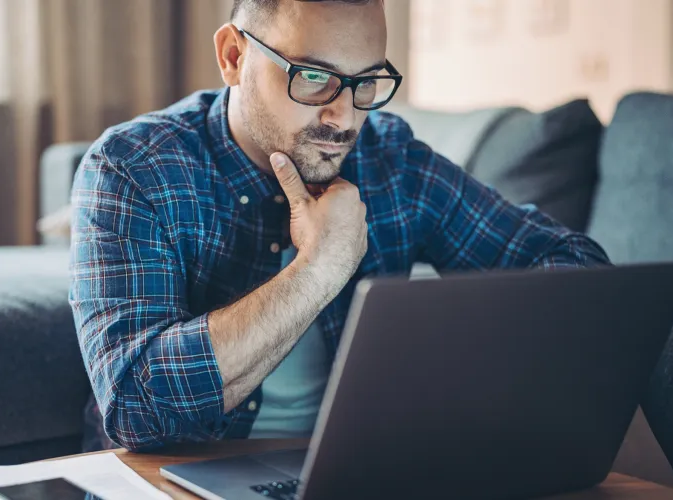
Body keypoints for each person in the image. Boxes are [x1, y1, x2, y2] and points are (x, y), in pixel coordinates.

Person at [69, 0, 609, 452]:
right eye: (313, 77)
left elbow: (572, 264)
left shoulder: (392, 160)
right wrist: (320, 270)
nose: (344, 118)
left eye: (366, 82)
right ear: (234, 56)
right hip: (171, 480)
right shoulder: (133, 167)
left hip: (357, 473)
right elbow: (136, 409)